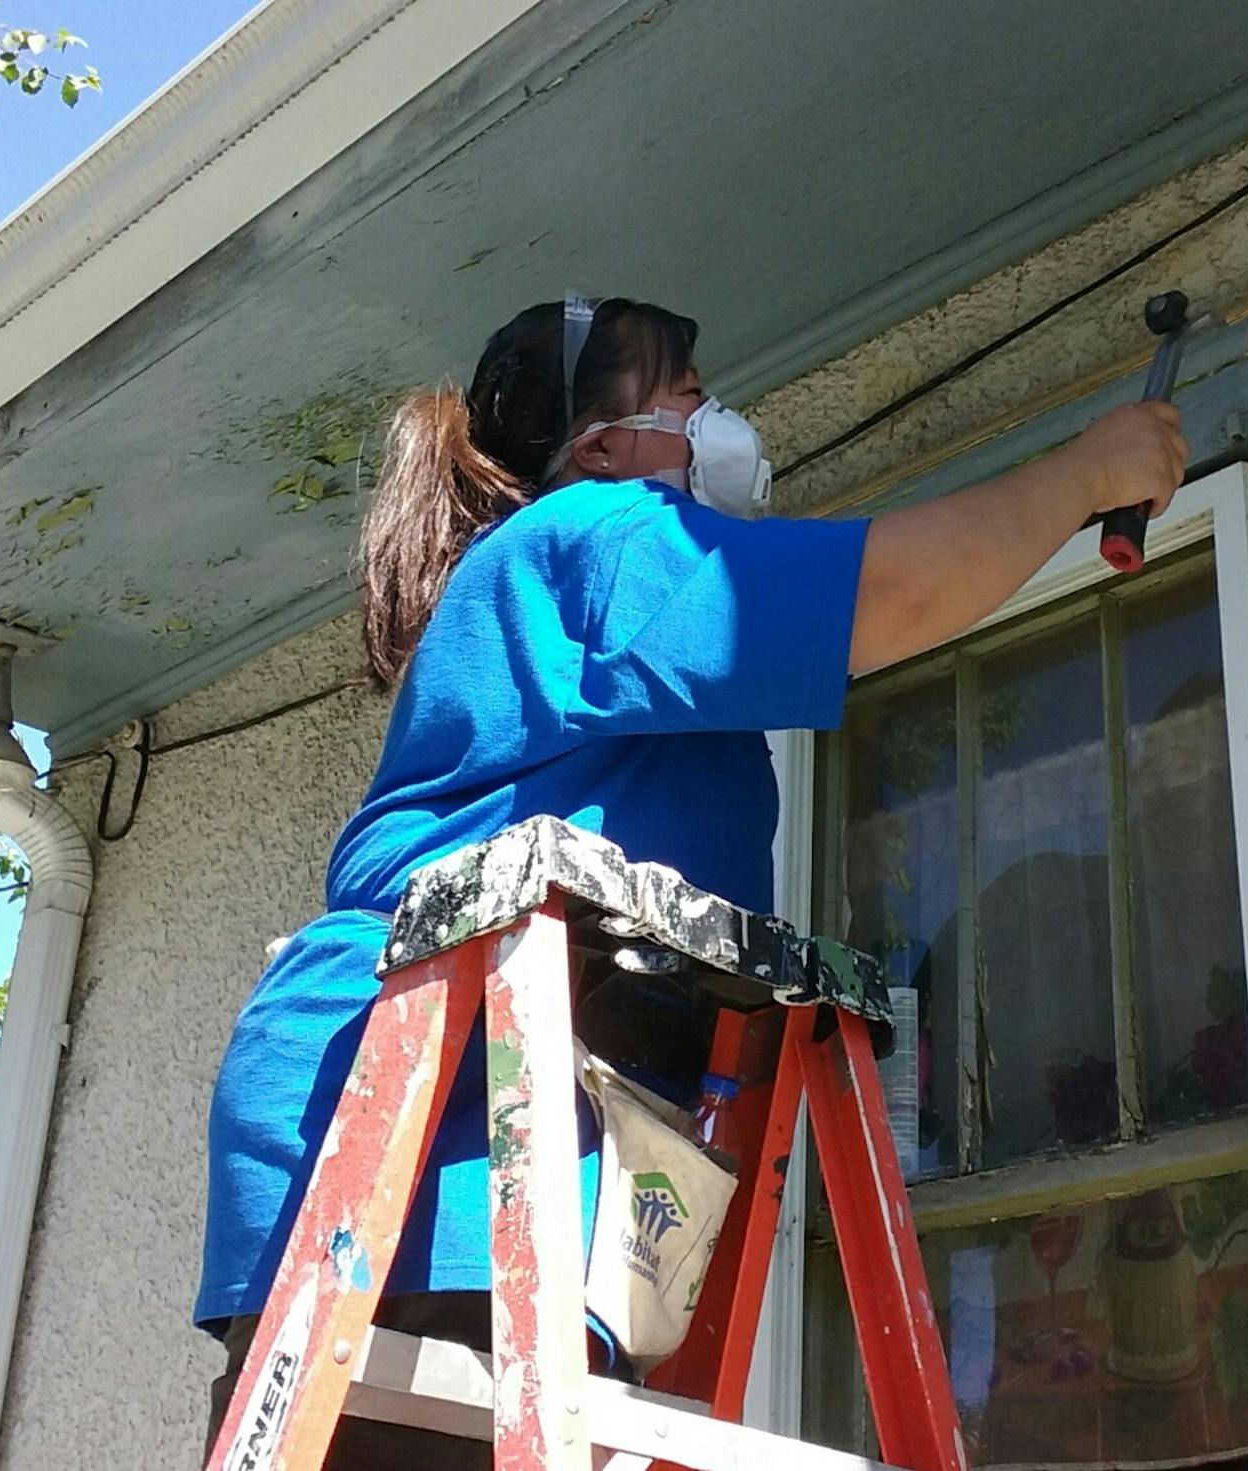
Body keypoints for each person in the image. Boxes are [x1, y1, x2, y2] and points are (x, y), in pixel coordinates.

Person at [198, 296, 1188, 1464]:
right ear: (604, 447)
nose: (719, 415)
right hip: (437, 1109)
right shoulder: (601, 537)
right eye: (687, 392)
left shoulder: (585, 601)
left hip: (470, 1091)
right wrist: (1086, 473)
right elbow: (895, 593)